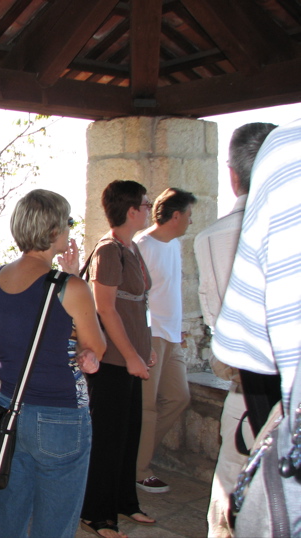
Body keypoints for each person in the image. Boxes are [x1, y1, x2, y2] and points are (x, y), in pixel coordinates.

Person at [0, 189, 106, 537]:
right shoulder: (69, 287)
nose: (70, 230)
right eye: (67, 222)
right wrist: (74, 278)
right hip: (59, 413)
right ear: (54, 231)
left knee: (10, 511)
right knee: (56, 520)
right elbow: (96, 345)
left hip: (12, 407)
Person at [213, 118, 301, 534]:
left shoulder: (210, 238)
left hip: (254, 382)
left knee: (232, 493)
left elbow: (238, 339)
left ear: (233, 176)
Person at [193, 122, 277, 538]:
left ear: (232, 173)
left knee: (229, 505)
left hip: (247, 393)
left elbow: (220, 333)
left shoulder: (211, 239)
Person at [80, 180, 156, 538]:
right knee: (108, 440)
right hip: (113, 364)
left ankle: (125, 501)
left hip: (130, 360)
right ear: (131, 210)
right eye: (145, 203)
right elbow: (105, 310)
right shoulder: (109, 250)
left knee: (128, 437)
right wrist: (130, 356)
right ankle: (97, 514)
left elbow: (135, 307)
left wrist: (145, 348)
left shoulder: (131, 248)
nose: (149, 207)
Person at [134, 187, 197, 493]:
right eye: (189, 215)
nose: (190, 222)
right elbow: (134, 297)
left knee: (178, 397)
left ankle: (133, 455)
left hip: (172, 336)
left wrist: (179, 328)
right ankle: (139, 469)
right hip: (151, 336)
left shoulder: (173, 245)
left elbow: (169, 291)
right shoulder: (142, 245)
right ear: (176, 216)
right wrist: (144, 339)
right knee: (147, 407)